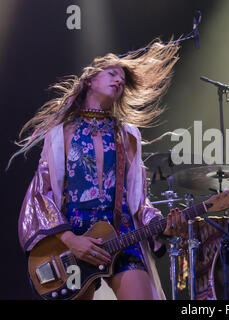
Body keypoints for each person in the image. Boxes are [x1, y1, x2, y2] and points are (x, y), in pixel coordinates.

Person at [10, 40, 186, 300]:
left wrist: (162, 226)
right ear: (90, 80)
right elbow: (42, 194)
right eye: (112, 73)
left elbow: (137, 199)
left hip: (123, 236)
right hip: (73, 241)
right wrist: (70, 240)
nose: (119, 81)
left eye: (123, 79)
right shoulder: (61, 133)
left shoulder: (128, 134)